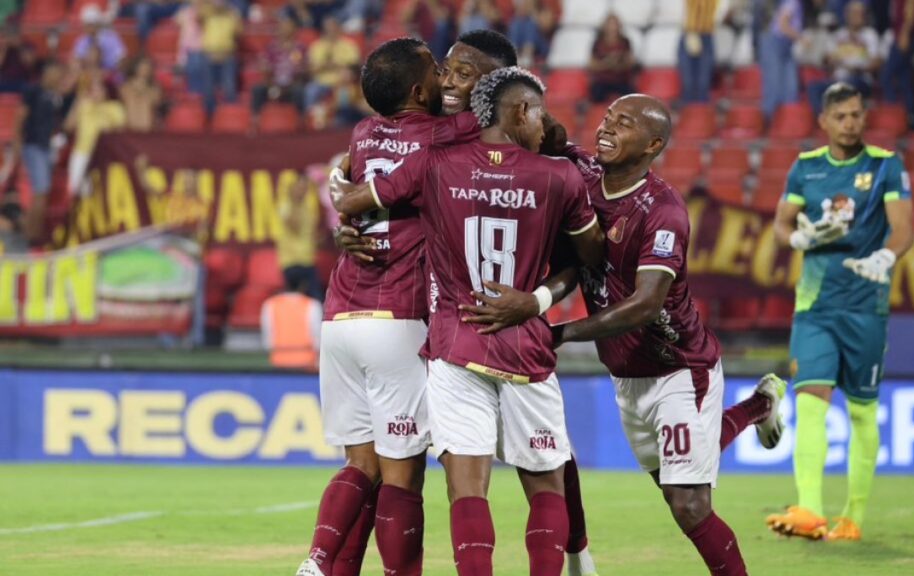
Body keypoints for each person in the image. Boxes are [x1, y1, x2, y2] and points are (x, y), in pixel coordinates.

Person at [460, 94, 788, 576]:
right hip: (627, 376)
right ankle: (759, 405)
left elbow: (645, 303)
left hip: (679, 368)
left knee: (689, 504)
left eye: (625, 124)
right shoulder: (584, 173)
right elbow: (548, 131)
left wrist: (559, 332)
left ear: (653, 144)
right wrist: (527, 113)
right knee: (679, 477)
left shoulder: (663, 211)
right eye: (609, 118)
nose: (607, 128)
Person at [334, 29, 603, 576]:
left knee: (471, 480)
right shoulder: (552, 167)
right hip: (517, 338)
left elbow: (358, 189)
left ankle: (578, 552)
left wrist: (348, 206)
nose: (449, 81)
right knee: (544, 467)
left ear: (496, 86)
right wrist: (348, 219)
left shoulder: (443, 158)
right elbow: (592, 254)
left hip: (458, 338)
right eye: (446, 69)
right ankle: (574, 558)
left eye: (462, 72)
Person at [295, 37, 475, 576]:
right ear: (420, 91)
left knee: (360, 464)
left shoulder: (363, 133)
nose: (447, 76)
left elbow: (345, 177)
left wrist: (338, 194)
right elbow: (496, 110)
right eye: (436, 70)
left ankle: (320, 563)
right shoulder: (446, 135)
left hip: (341, 314)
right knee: (401, 477)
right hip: (399, 315)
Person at [766, 82, 914, 541]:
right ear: (824, 122)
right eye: (842, 116)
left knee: (862, 414)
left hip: (867, 307)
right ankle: (810, 509)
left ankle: (853, 517)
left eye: (856, 114)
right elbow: (780, 224)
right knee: (810, 400)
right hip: (815, 307)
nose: (850, 122)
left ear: (863, 117)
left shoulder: (885, 165)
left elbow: (903, 229)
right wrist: (798, 240)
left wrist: (886, 257)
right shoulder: (806, 169)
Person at [14, 60, 69, 242]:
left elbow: (56, 122)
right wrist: (17, 143)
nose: (57, 76)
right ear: (45, 73)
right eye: (54, 72)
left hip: (48, 148)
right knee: (41, 191)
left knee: (43, 193)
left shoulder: (55, 96)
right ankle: (32, 236)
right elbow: (20, 118)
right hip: (34, 146)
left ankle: (32, 230)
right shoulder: (33, 91)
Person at [65, 77, 126, 196]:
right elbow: (68, 126)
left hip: (105, 157)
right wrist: (77, 102)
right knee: (78, 192)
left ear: (106, 91)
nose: (95, 93)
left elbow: (121, 133)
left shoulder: (115, 108)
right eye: (92, 90)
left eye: (98, 89)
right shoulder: (83, 105)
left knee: (101, 192)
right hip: (82, 153)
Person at [261, 276, 322, 370]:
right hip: (307, 363)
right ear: (303, 286)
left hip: (279, 362)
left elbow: (268, 339)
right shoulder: (313, 305)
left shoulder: (270, 304)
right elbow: (317, 338)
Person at [304, 16, 361, 114]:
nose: (331, 31)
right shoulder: (316, 46)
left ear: (338, 29)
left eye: (333, 28)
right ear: (324, 31)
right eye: (328, 29)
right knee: (310, 90)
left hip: (342, 83)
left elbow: (354, 67)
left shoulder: (349, 45)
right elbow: (311, 69)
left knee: (346, 94)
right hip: (321, 82)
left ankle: (341, 122)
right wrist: (325, 66)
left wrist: (336, 65)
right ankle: (310, 120)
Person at [252, 17, 307, 113]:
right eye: (282, 28)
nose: (285, 30)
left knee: (299, 91)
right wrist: (272, 84)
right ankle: (256, 120)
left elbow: (302, 70)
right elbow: (264, 67)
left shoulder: (299, 48)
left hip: (291, 85)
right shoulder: (271, 48)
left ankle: (300, 121)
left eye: (288, 27)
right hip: (273, 84)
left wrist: (289, 85)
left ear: (294, 30)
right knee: (258, 89)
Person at [760, 0, 803, 118]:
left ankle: (788, 123)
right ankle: (768, 121)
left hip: (786, 45)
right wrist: (801, 38)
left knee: (790, 87)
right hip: (775, 42)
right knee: (774, 86)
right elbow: (782, 25)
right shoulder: (792, 2)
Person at [198, 0, 242, 113]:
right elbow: (198, 16)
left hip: (227, 57)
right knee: (208, 90)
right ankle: (209, 118)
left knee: (230, 88)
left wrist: (233, 15)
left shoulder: (232, 14)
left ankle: (230, 116)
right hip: (209, 56)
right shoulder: (207, 14)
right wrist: (210, 8)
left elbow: (240, 32)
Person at [588, 14, 636, 103]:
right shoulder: (598, 42)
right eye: (610, 24)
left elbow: (631, 61)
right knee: (596, 95)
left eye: (614, 24)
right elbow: (592, 64)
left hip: (621, 80)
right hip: (602, 81)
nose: (612, 27)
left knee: (632, 97)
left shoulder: (625, 41)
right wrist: (607, 63)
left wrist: (619, 63)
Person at [678, 0, 718, 105]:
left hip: (706, 33)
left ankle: (702, 117)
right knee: (688, 84)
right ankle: (689, 117)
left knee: (703, 84)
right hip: (689, 32)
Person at [72, 4, 126, 75]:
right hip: (89, 73)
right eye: (86, 25)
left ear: (97, 24)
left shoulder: (111, 37)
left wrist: (108, 72)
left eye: (90, 25)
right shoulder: (82, 40)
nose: (87, 28)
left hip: (110, 73)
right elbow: (76, 60)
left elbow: (121, 59)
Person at [120, 56, 163, 132]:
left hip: (148, 130)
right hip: (129, 129)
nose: (145, 68)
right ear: (135, 67)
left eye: (147, 66)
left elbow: (156, 101)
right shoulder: (125, 87)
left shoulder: (155, 89)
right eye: (143, 65)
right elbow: (125, 97)